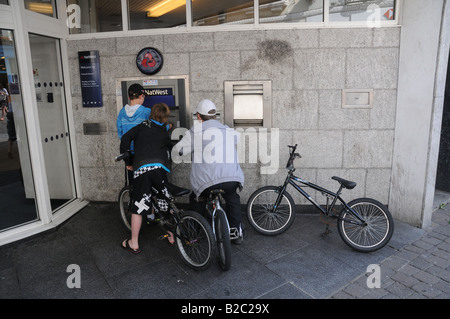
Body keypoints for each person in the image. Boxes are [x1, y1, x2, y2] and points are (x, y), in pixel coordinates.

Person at [174, 99, 245, 244]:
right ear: (215, 115)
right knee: (232, 198)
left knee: (197, 198)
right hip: (231, 179)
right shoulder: (227, 129)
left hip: (207, 182)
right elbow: (237, 139)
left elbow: (179, 150)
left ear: (199, 116)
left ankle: (193, 234)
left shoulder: (195, 131)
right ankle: (237, 232)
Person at [120, 103, 173, 253]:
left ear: (151, 114)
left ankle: (134, 243)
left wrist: (128, 162)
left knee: (139, 206)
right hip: (159, 170)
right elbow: (169, 147)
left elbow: (125, 138)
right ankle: (172, 236)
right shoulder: (164, 130)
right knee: (165, 202)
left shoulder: (142, 126)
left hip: (142, 170)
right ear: (165, 117)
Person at [117, 83, 151, 183]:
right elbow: (154, 129)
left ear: (129, 97)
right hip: (144, 153)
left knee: (133, 182)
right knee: (144, 181)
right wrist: (168, 126)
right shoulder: (147, 112)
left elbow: (121, 134)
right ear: (141, 96)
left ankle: (134, 198)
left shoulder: (121, 113)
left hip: (129, 153)